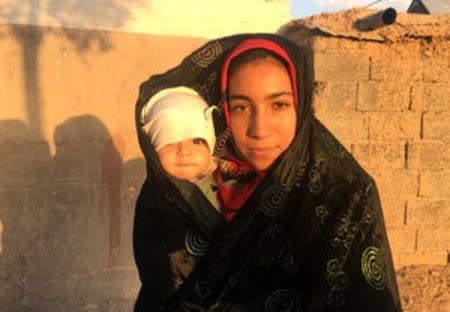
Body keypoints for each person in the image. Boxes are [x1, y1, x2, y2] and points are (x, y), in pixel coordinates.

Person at [133, 34, 402, 311]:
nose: (259, 129)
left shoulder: (343, 195)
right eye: (241, 107)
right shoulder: (181, 191)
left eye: (279, 105)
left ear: (301, 104)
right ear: (223, 112)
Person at [140, 86, 220, 209]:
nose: (184, 151)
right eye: (170, 142)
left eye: (197, 141)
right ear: (152, 149)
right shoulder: (152, 202)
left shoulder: (232, 192)